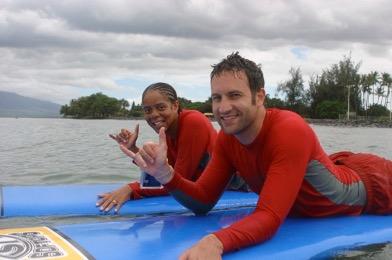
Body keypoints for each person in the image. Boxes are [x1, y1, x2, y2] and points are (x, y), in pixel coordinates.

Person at [120, 52, 392, 259]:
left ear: (259, 96)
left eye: (234, 95)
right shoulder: (228, 138)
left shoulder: (289, 129)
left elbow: (270, 216)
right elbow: (203, 201)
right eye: (216, 98)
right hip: (330, 171)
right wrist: (165, 175)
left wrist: (216, 241)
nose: (223, 107)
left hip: (375, 185)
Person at [96, 82, 248, 213]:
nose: (154, 114)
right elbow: (165, 170)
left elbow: (176, 179)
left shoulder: (193, 122)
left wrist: (131, 189)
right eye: (147, 110)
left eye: (161, 107)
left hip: (244, 185)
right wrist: (133, 149)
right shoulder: (168, 131)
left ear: (175, 105)